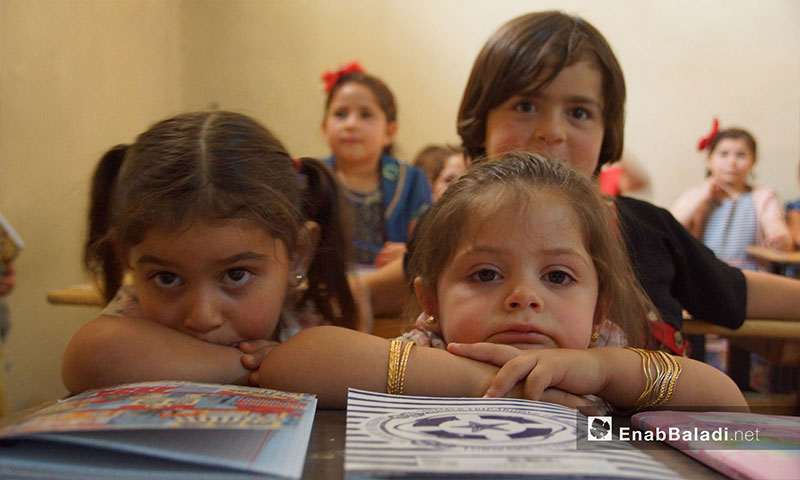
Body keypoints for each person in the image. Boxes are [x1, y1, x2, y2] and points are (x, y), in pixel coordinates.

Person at [363, 10, 800, 351]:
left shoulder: (651, 230)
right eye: (525, 105)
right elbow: (366, 295)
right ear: (482, 121)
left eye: (579, 112)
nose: (552, 131)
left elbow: (738, 292)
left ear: (607, 130)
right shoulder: (456, 231)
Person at [255, 153, 747, 411]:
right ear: (431, 302)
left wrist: (602, 371)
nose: (524, 297)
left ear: (600, 312)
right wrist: (483, 382)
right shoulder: (434, 348)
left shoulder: (606, 362)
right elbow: (291, 364)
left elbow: (727, 403)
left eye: (557, 276)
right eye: (486, 274)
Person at [62, 111, 365, 394]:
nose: (202, 317)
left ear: (298, 254)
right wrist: (261, 367)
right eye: (167, 278)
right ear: (126, 256)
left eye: (235, 275)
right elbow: (90, 357)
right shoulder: (131, 320)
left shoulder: (313, 320)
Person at [321, 61, 432, 268]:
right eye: (340, 114)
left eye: (365, 115)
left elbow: (430, 248)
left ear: (389, 132)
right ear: (325, 127)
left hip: (389, 288)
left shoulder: (410, 181)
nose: (351, 124)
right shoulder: (312, 178)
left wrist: (409, 254)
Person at [672, 121, 792, 270]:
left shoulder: (763, 196)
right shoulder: (697, 195)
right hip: (707, 270)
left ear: (753, 161)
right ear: (709, 159)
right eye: (723, 154)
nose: (732, 162)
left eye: (741, 155)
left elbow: (774, 222)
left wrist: (780, 237)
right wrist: (701, 196)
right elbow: (672, 225)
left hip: (750, 274)